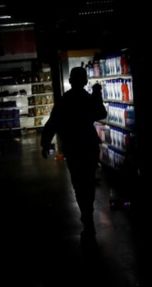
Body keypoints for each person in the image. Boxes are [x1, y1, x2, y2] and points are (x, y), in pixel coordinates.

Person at [41, 67, 107, 243]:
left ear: (70, 81)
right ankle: (88, 214)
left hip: (73, 148)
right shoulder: (87, 99)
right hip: (89, 146)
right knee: (89, 181)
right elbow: (102, 113)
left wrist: (45, 143)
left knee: (79, 183)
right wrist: (97, 94)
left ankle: (86, 216)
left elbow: (52, 123)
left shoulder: (65, 101)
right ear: (85, 81)